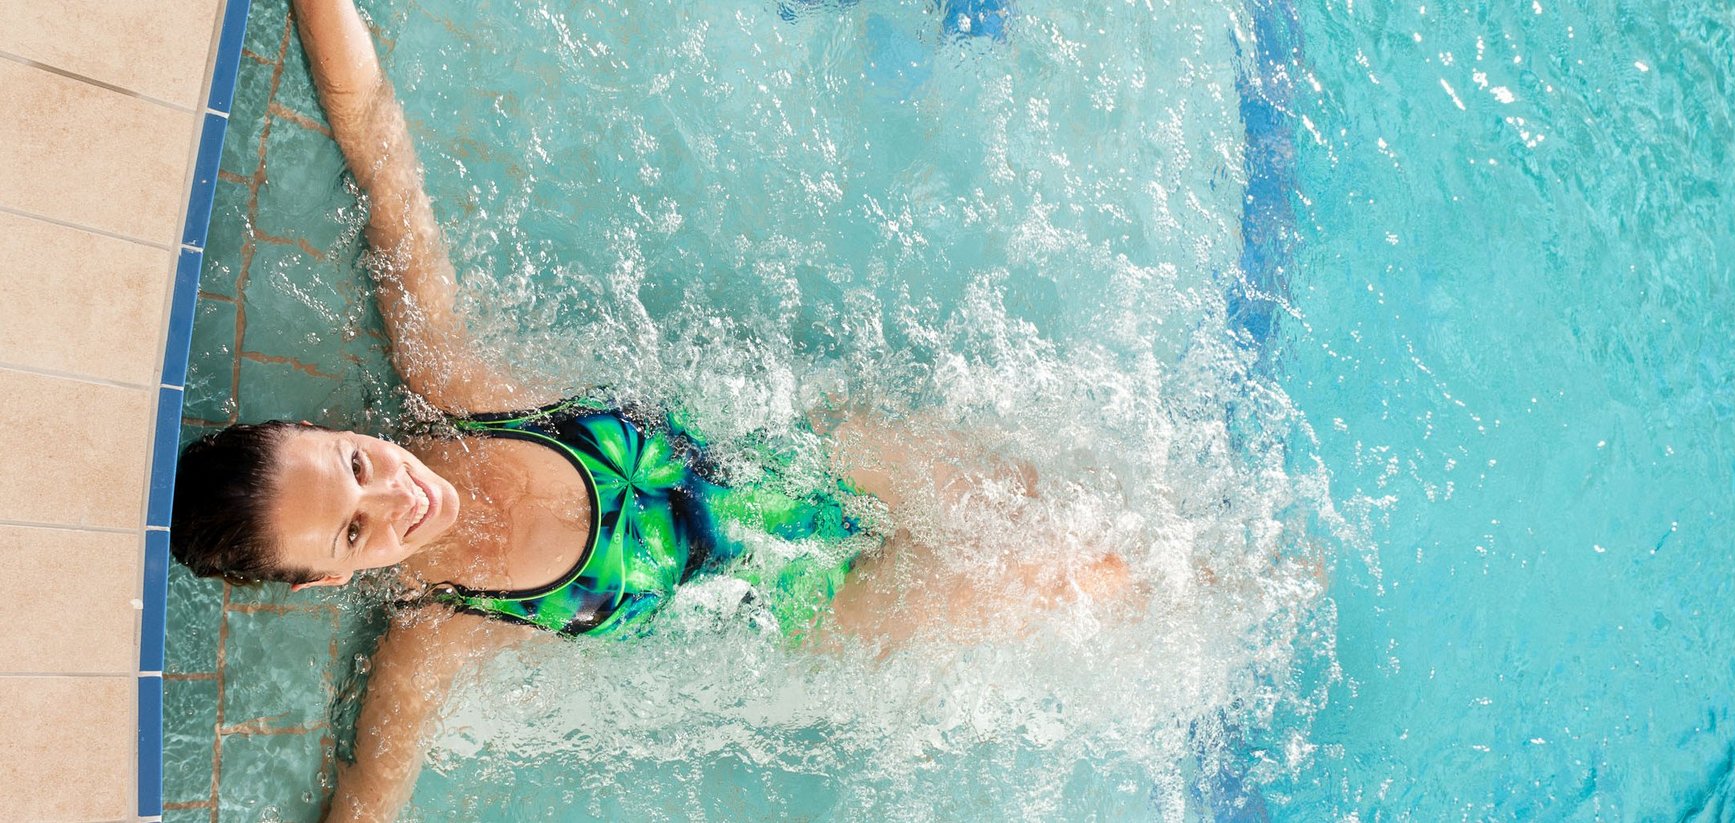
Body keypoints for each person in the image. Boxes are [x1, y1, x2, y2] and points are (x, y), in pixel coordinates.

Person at [170, 2, 1134, 820]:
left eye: (354, 467)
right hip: (812, 602)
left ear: (347, 433)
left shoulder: (455, 382)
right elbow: (368, 798)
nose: (394, 500)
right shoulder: (437, 633)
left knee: (1077, 511)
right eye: (350, 533)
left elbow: (377, 140)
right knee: (1088, 584)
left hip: (832, 457)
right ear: (329, 582)